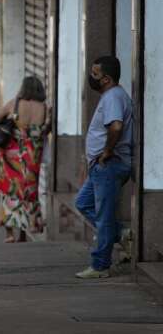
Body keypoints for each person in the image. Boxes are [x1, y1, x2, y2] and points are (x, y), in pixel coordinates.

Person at [74, 56, 133, 279]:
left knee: (104, 216)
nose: (91, 77)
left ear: (107, 79)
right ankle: (122, 233)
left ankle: (100, 266)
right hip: (101, 167)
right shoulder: (111, 96)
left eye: (95, 74)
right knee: (83, 203)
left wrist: (107, 151)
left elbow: (116, 126)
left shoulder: (113, 97)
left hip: (109, 165)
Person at [0, 76, 49, 243]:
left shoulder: (15, 103)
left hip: (11, 156)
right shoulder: (44, 108)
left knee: (8, 190)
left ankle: (9, 234)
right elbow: (47, 129)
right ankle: (24, 232)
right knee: (28, 192)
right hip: (32, 157)